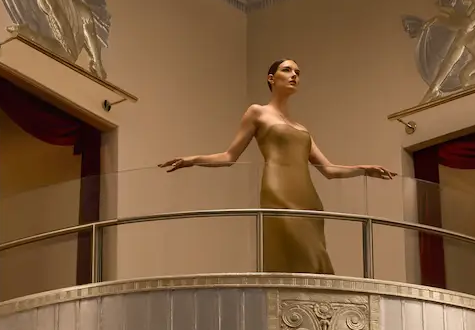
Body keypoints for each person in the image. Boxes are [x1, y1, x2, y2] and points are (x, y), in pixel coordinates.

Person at [161, 59, 395, 274]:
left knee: (317, 257)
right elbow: (229, 155)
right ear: (271, 79)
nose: (294, 75)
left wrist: (364, 169)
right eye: (287, 70)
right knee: (297, 253)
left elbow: (329, 170)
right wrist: (192, 160)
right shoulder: (258, 112)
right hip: (278, 191)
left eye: (297, 72)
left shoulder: (301, 128)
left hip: (308, 199)